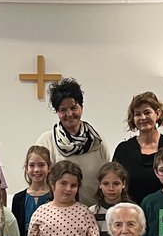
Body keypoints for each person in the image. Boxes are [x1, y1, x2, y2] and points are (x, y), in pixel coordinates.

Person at [36, 78, 109, 206]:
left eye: (73, 108)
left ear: (82, 108)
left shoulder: (97, 141)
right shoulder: (46, 141)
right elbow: (38, 180)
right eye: (63, 110)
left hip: (95, 213)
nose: (69, 114)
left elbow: (108, 176)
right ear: (57, 112)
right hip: (58, 215)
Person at [111, 91, 163, 205]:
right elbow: (115, 184)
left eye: (147, 112)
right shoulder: (123, 150)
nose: (143, 118)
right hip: (131, 215)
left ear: (157, 113)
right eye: (137, 114)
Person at [10, 145, 53, 236]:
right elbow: (16, 231)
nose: (36, 169)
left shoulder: (54, 197)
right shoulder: (18, 199)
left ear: (49, 168)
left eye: (41, 165)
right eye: (32, 165)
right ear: (26, 168)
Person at [89, 162, 131, 236]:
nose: (111, 188)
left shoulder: (132, 210)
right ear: (100, 184)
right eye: (106, 184)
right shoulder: (92, 212)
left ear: (123, 184)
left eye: (116, 183)